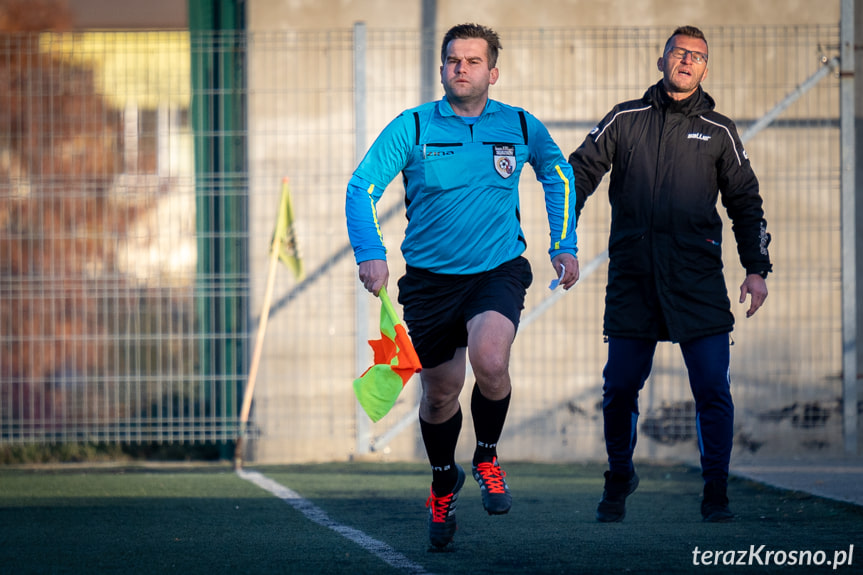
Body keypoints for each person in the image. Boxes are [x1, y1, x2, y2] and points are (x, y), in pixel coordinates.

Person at [345, 22, 579, 548]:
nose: (462, 69)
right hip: (429, 283)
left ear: (492, 71)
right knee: (440, 393)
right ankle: (442, 481)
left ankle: (488, 454)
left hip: (497, 271)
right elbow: (361, 188)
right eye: (454, 60)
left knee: (491, 360)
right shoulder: (413, 126)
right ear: (443, 68)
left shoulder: (519, 125)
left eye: (474, 61)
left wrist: (564, 243)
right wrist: (371, 253)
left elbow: (557, 172)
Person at [568, 25, 771, 523]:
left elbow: (745, 200)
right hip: (634, 279)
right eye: (679, 52)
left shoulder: (720, 130)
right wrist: (563, 241)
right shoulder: (625, 118)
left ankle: (716, 493)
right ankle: (619, 476)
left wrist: (756, 268)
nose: (687, 61)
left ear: (705, 69)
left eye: (698, 56)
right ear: (662, 61)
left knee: (711, 390)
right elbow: (577, 175)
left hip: (696, 279)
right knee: (618, 387)